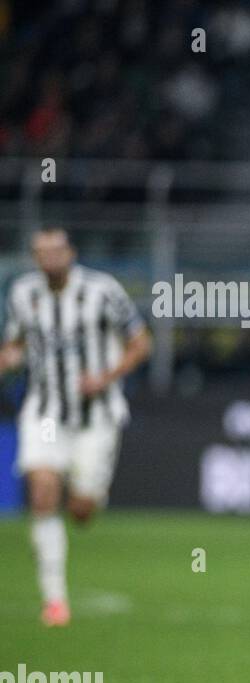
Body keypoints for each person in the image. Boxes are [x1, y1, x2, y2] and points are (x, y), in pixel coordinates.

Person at [0, 227, 152, 626]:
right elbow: (15, 344)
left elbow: (140, 342)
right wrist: (8, 358)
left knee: (81, 509)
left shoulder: (102, 291)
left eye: (56, 250)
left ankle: (84, 500)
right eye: (41, 252)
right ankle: (54, 599)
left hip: (96, 416)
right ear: (34, 257)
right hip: (46, 411)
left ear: (71, 253)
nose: (49, 258)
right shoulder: (22, 294)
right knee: (43, 488)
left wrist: (106, 376)